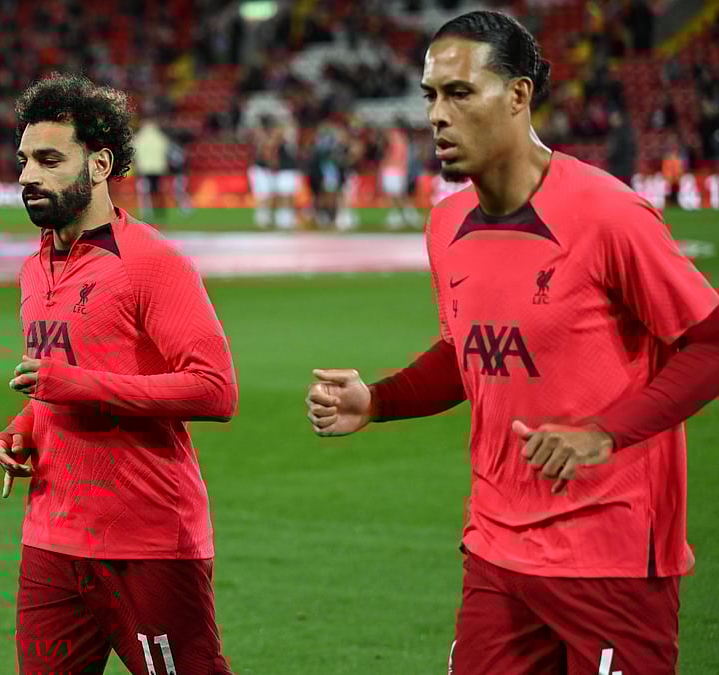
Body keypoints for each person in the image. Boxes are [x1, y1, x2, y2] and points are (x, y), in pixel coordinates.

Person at [306, 12, 719, 674]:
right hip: (496, 553)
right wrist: (378, 401)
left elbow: (710, 342)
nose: (437, 115)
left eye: (460, 93)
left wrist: (605, 434)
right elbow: (467, 353)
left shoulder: (609, 215)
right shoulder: (446, 225)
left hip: (609, 559)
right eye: (430, 96)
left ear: (519, 94)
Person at [0, 73, 238, 675]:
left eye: (50, 160)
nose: (28, 176)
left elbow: (216, 389)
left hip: (146, 544)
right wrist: (24, 427)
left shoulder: (151, 262)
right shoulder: (34, 268)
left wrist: (74, 387)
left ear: (100, 164)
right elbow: (57, 385)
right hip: (50, 540)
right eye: (24, 160)